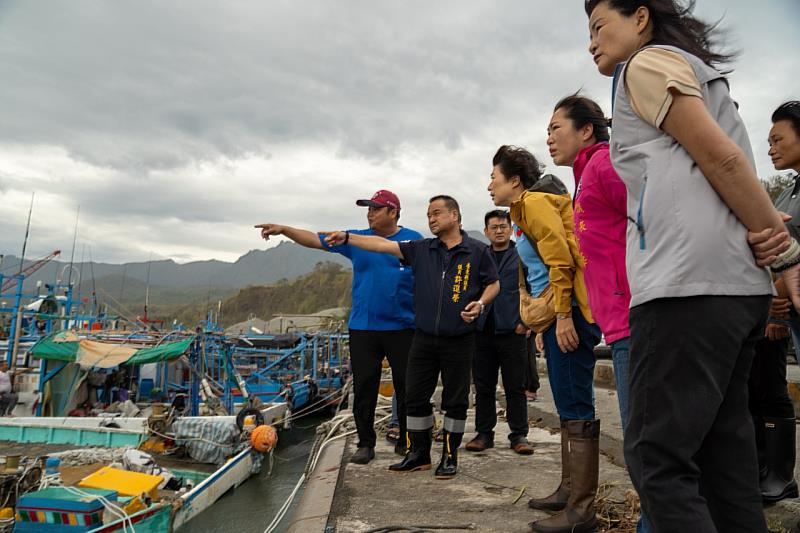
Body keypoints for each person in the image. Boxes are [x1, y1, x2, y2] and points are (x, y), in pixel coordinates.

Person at [584, 2, 800, 531]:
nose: (590, 42)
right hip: (733, 288)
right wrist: (777, 257)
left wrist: (786, 251)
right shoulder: (699, 72)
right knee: (724, 458)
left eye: (597, 26)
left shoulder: (648, 64)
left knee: (657, 457)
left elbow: (721, 158)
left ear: (639, 17)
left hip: (685, 285)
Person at [325, 195, 500, 479]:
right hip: (423, 337)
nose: (431, 218)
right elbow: (381, 244)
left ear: (454, 216)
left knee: (455, 401)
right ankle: (418, 453)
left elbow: (493, 283)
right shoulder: (421, 249)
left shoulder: (478, 251)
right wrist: (348, 238)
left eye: (437, 213)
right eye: (428, 214)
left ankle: (449, 455)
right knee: (414, 397)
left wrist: (481, 304)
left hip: (459, 339)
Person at [255, 189, 422, 465]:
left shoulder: (413, 240)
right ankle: (365, 444)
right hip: (363, 328)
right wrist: (284, 229)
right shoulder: (356, 238)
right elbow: (315, 239)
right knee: (365, 387)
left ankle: (407, 440)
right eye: (367, 209)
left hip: (403, 327)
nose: (369, 213)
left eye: (376, 208)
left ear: (393, 212)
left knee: (407, 387)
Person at [545, 93, 649, 532]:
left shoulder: (605, 166)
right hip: (620, 324)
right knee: (643, 445)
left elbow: (653, 219)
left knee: (646, 447)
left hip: (636, 319)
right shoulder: (584, 176)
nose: (548, 138)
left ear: (586, 129)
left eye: (555, 128)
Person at [488, 146, 602, 533]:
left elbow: (561, 261)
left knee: (576, 403)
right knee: (569, 403)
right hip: (554, 317)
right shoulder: (523, 210)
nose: (489, 185)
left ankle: (582, 510)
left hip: (568, 316)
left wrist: (565, 317)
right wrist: (543, 325)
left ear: (514, 181)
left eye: (494, 177)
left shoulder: (534, 203)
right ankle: (570, 491)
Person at [749, 100, 800, 504]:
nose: (770, 148)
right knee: (761, 390)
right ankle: (768, 470)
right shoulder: (787, 193)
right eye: (767, 141)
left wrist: (778, 303)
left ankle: (781, 474)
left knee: (774, 392)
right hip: (777, 308)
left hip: (786, 309)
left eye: (778, 139)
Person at [465, 209, 534, 455]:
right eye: (493, 227)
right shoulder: (479, 256)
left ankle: (519, 435)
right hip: (482, 330)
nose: (498, 230)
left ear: (510, 228)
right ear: (486, 231)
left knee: (516, 385)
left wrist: (526, 322)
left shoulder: (521, 255)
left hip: (513, 329)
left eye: (503, 226)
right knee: (483, 385)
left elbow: (533, 287)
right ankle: (484, 434)